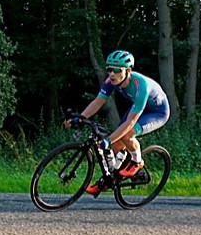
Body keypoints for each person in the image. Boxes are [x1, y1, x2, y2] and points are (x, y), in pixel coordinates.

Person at [65, 50, 170, 196]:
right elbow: (98, 102)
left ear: (128, 71)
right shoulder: (110, 81)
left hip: (157, 112)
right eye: (109, 70)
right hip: (139, 107)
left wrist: (107, 140)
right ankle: (108, 179)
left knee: (126, 135)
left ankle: (137, 161)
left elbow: (130, 122)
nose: (112, 74)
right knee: (113, 147)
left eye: (116, 70)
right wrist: (81, 118)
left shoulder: (141, 85)